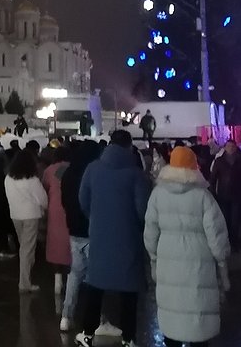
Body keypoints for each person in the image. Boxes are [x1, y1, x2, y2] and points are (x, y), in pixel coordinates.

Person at [144, 146, 230, 347]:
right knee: (197, 315)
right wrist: (222, 266)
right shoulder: (203, 196)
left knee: (172, 311)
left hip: (168, 260)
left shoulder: (158, 194)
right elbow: (216, 236)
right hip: (199, 263)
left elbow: (150, 233)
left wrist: (154, 258)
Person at [76, 130, 150, 347]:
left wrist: (96, 218)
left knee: (95, 285)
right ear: (129, 147)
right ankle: (128, 338)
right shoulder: (136, 174)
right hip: (128, 237)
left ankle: (87, 334)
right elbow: (142, 209)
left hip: (100, 235)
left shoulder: (93, 168)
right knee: (129, 289)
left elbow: (83, 200)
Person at [59, 140, 101, 332]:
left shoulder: (68, 172)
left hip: (74, 229)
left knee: (75, 274)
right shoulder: (94, 173)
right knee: (95, 276)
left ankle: (66, 316)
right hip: (91, 230)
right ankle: (96, 319)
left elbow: (63, 200)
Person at [5, 148, 49, 293]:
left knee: (24, 247)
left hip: (15, 215)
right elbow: (43, 199)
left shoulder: (8, 178)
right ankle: (25, 283)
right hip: (30, 216)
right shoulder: (32, 180)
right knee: (27, 249)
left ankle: (25, 278)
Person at [43, 144, 72, 295]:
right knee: (69, 244)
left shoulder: (49, 170)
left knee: (55, 243)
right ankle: (70, 281)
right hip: (70, 208)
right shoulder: (72, 168)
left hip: (54, 208)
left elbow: (45, 187)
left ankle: (57, 280)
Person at [209, 140, 241, 249]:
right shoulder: (219, 161)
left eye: (232, 146)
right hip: (223, 194)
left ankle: (234, 243)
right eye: (229, 146)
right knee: (226, 219)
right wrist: (213, 193)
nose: (231, 148)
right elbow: (213, 178)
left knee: (235, 220)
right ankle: (228, 243)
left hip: (237, 194)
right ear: (225, 148)